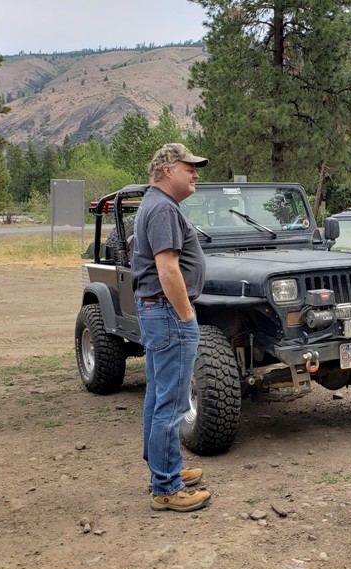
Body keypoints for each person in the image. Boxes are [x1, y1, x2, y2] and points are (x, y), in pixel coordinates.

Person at [130, 143, 212, 512]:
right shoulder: (162, 208)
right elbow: (167, 269)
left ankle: (161, 467)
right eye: (189, 167)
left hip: (156, 312)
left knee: (158, 394)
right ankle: (166, 487)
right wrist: (186, 315)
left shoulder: (155, 204)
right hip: (167, 313)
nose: (196, 174)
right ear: (167, 171)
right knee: (173, 401)